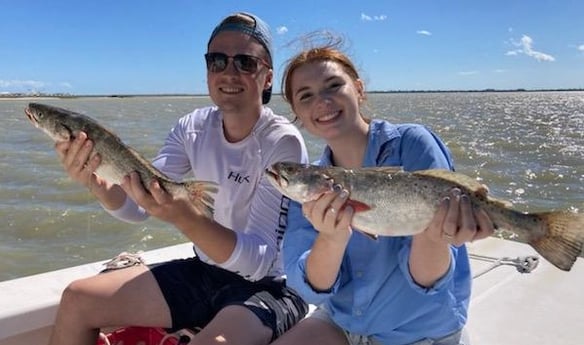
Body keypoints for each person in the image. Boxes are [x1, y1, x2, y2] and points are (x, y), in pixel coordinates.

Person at [48, 12, 309, 345]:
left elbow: (258, 263)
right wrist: (98, 183)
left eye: (245, 62)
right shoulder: (192, 127)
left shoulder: (281, 142)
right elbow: (138, 207)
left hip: (270, 287)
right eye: (217, 60)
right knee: (77, 299)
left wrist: (185, 217)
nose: (229, 72)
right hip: (205, 272)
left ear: (267, 77)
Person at [271, 39, 495, 345]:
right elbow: (310, 288)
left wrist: (431, 236)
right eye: (305, 96)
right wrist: (332, 238)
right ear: (297, 112)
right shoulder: (307, 185)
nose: (321, 102)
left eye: (333, 86)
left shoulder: (412, 144)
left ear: (359, 89)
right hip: (342, 322)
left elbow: (430, 281)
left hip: (419, 331)